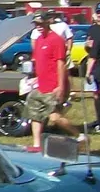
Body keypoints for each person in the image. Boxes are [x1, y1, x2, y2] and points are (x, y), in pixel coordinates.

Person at [27, 10, 75, 151]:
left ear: (48, 22)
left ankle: (78, 136)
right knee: (35, 114)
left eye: (40, 23)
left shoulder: (57, 40)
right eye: (36, 24)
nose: (38, 26)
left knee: (54, 117)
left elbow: (61, 64)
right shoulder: (40, 39)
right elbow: (40, 62)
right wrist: (36, 78)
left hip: (54, 85)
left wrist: (60, 86)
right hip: (41, 85)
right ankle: (37, 145)